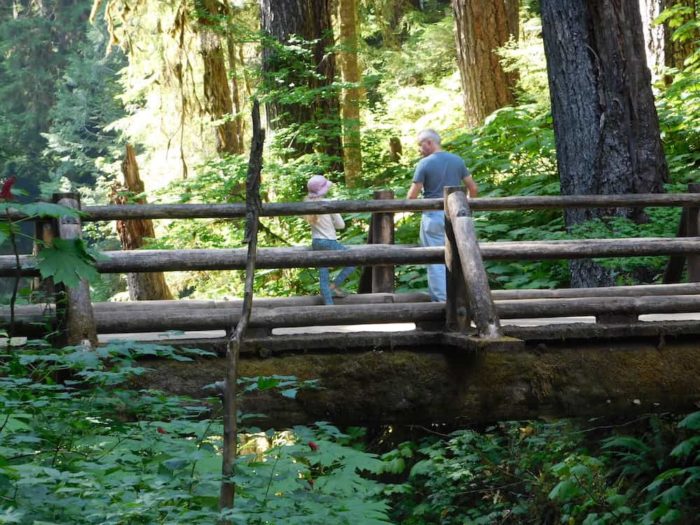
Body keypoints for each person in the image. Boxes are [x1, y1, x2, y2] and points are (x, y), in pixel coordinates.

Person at [407, 129, 478, 302]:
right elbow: (473, 189)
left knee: (436, 261)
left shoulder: (424, 164)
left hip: (433, 217)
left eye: (420, 145)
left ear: (429, 142)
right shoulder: (457, 160)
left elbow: (411, 197)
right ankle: (463, 299)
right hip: (458, 218)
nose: (419, 149)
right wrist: (465, 210)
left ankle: (442, 303)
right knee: (460, 258)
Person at [304, 175, 356, 305]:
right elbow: (341, 225)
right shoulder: (329, 204)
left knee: (323, 272)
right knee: (353, 261)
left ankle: (329, 304)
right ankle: (334, 286)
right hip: (329, 241)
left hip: (316, 242)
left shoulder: (307, 205)